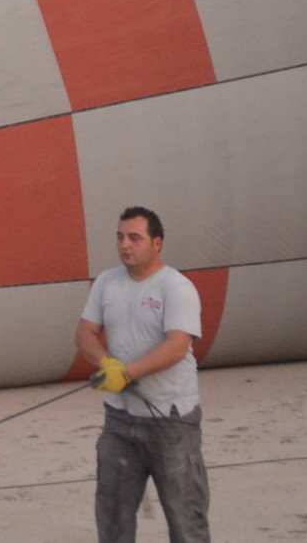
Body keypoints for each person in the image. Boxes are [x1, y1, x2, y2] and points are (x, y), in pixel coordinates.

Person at [75, 207, 209, 543]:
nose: (125, 245)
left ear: (157, 243)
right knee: (113, 515)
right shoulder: (107, 281)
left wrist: (129, 372)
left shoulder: (176, 287)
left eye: (135, 237)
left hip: (171, 420)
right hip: (119, 419)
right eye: (120, 237)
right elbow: (84, 333)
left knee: (185, 518)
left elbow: (177, 346)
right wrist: (107, 363)